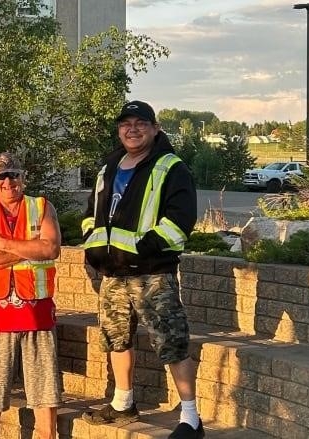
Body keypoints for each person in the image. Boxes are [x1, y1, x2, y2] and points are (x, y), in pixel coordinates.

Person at [80, 101, 203, 438]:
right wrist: (93, 243)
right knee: (116, 339)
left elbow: (179, 223)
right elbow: (91, 213)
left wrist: (137, 250)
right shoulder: (108, 167)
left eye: (140, 123)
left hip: (152, 273)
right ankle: (123, 403)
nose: (132, 129)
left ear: (155, 128)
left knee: (171, 342)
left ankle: (190, 418)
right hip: (113, 273)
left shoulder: (171, 167)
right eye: (125, 124)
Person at [0, 152, 63, 439]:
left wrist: (3, 244)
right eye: (1, 176)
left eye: (14, 174)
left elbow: (51, 249)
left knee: (45, 393)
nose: (8, 181)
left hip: (37, 312)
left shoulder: (43, 207)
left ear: (23, 177)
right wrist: (28, 249)